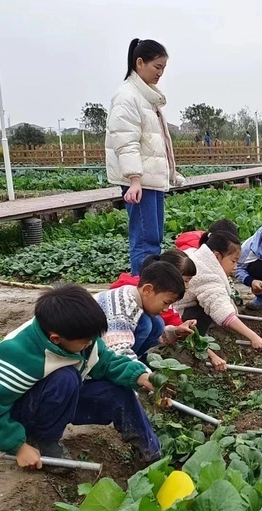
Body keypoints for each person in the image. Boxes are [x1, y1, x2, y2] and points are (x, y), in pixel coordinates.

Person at [0, 284, 160, 468]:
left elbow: (107, 361)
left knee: (119, 392)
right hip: (25, 412)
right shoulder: (19, 355)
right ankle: (44, 441)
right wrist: (17, 447)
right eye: (85, 342)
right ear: (56, 339)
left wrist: (140, 376)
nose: (90, 344)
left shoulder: (81, 337)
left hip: (58, 399)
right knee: (66, 378)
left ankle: (152, 454)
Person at [106, 38, 185, 275]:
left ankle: (150, 293)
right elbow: (125, 141)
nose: (160, 73)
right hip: (141, 183)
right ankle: (143, 293)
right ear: (139, 63)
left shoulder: (146, 98)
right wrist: (134, 179)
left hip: (151, 180)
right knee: (144, 242)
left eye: (163, 68)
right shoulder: (127, 97)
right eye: (157, 67)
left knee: (153, 238)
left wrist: (171, 173)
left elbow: (153, 142)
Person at [175, 232, 262, 368]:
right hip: (176, 317)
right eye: (233, 261)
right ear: (217, 256)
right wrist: (253, 337)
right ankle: (193, 346)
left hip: (173, 313)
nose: (235, 267)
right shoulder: (206, 274)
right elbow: (222, 311)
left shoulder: (198, 257)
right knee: (206, 311)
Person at [97, 260, 196, 361]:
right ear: (147, 290)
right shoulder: (121, 309)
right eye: (166, 302)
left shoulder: (133, 296)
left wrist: (175, 332)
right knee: (146, 323)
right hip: (93, 360)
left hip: (106, 350)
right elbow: (117, 351)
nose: (167, 309)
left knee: (157, 322)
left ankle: (137, 361)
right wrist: (142, 374)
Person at [110, 249, 196, 327]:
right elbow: (168, 315)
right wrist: (179, 327)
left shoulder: (153, 290)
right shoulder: (136, 293)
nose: (187, 286)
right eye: (185, 281)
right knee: (148, 323)